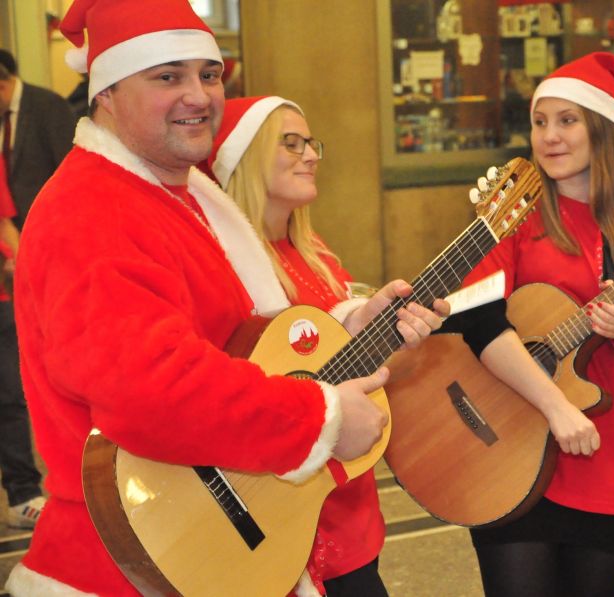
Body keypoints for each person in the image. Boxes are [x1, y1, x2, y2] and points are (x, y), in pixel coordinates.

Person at [5, 1, 444, 595]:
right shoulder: (90, 208)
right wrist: (322, 418)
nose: (199, 95)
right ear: (105, 92)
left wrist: (353, 326)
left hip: (198, 544)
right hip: (132, 561)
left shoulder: (178, 195)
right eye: (167, 76)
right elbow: (151, 388)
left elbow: (240, 344)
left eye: (208, 74)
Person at [460, 52, 614, 597]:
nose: (549, 137)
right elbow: (478, 320)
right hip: (509, 440)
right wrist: (556, 407)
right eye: (540, 122)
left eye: (567, 121)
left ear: (604, 131)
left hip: (604, 454)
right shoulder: (511, 210)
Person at [205, 95, 450, 596]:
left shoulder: (318, 260)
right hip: (268, 523)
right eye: (290, 144)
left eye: (310, 143)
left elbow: (369, 376)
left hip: (346, 515)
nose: (311, 155)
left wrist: (398, 339)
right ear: (244, 159)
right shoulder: (219, 267)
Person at [0, 153, 42, 530]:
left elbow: (4, 221)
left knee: (13, 398)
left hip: (1, 301)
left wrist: (21, 262)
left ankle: (24, 495)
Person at [0, 49, 76, 229]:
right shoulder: (3, 111)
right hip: (12, 227)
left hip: (49, 221)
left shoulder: (48, 105)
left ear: (2, 86)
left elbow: (68, 167)